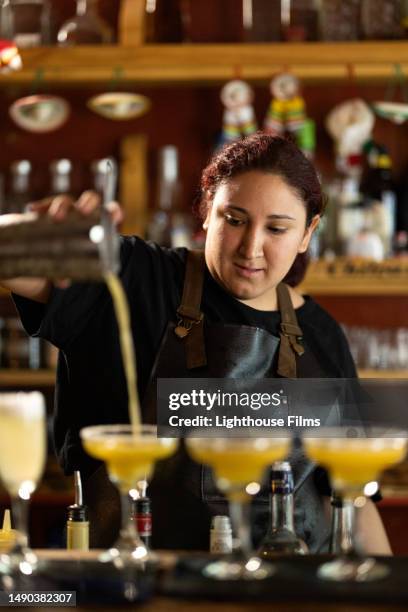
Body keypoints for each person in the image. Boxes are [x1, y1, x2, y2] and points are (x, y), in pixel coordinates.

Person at [0, 133, 390, 554]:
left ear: (307, 234)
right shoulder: (134, 278)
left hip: (289, 591)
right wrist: (42, 234)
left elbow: (354, 499)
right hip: (142, 585)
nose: (251, 248)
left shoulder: (321, 334)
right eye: (234, 219)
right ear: (207, 211)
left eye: (277, 228)